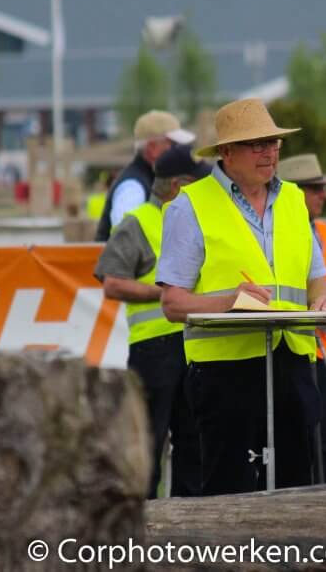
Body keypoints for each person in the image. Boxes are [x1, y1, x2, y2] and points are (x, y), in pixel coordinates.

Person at [157, 98, 326, 496]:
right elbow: (173, 303)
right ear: (227, 152)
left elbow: (318, 279)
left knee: (299, 487)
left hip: (293, 361)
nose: (270, 151)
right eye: (258, 143)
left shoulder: (294, 200)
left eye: (274, 142)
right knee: (229, 491)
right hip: (226, 372)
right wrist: (230, 299)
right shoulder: (190, 207)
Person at [94, 144, 210, 498]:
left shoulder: (194, 221)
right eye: (196, 184)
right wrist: (163, 294)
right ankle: (141, 525)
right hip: (154, 350)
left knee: (193, 442)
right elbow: (111, 281)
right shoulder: (139, 222)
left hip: (193, 346)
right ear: (177, 186)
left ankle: (189, 527)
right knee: (148, 442)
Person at [277, 153, 326, 484]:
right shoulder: (274, 233)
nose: (325, 194)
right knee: (294, 445)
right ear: (292, 192)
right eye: (315, 188)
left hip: (325, 354)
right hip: (288, 349)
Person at [95, 111, 194, 241]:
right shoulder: (133, 187)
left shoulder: (145, 179)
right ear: (152, 148)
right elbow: (125, 242)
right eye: (173, 144)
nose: (179, 151)